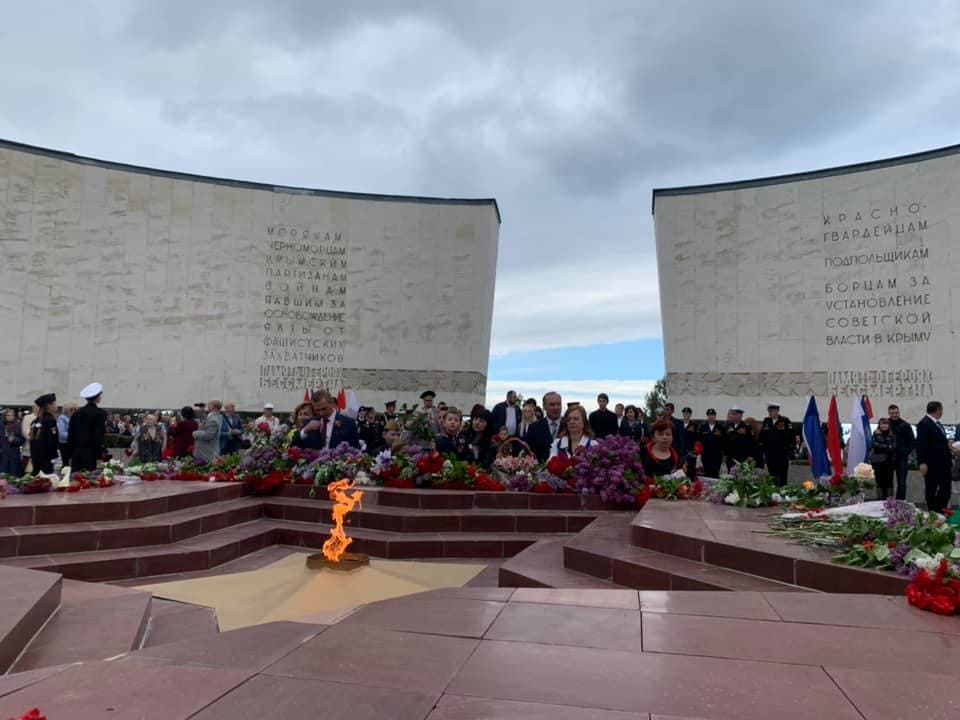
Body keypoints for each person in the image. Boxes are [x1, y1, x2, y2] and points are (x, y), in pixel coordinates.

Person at [915, 400, 952, 513]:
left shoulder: (938, 424)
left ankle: (941, 509)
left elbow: (938, 442)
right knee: (931, 488)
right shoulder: (924, 423)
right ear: (938, 410)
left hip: (943, 463)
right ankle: (933, 511)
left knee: (945, 488)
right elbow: (920, 444)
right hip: (931, 463)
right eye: (941, 410)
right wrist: (922, 462)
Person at [295, 389, 360, 450]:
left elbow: (355, 449)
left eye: (324, 408)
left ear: (332, 403)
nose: (321, 413)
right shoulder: (309, 423)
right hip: (314, 461)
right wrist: (304, 431)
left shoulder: (349, 423)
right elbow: (295, 447)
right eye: (317, 410)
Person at [759, 402, 794, 486]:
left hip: (782, 454)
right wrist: (763, 449)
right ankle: (773, 493)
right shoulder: (766, 421)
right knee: (772, 475)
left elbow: (791, 435)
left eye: (772, 411)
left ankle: (783, 492)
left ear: (777, 411)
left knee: (782, 476)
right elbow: (762, 436)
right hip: (770, 453)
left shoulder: (785, 421)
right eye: (769, 411)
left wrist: (790, 450)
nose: (770, 413)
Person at [888, 404, 916, 501]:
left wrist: (904, 452)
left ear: (899, 413)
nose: (894, 415)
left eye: (896, 413)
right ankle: (887, 502)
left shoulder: (905, 425)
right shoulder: (885, 424)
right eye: (892, 413)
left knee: (902, 482)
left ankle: (900, 503)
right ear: (889, 413)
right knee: (887, 482)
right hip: (888, 458)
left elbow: (912, 442)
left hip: (902, 458)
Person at [528, 391, 564, 462]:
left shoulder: (569, 425)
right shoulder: (534, 428)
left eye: (558, 404)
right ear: (544, 407)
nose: (556, 407)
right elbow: (529, 453)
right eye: (552, 405)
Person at [29, 393, 59, 475]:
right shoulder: (50, 420)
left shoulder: (35, 421)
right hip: (47, 457)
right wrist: (54, 456)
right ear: (49, 406)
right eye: (55, 403)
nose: (57, 405)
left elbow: (32, 441)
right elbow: (52, 441)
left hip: (36, 457)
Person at [870, 418, 897, 500]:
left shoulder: (893, 435)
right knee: (879, 481)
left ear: (889, 425)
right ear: (879, 425)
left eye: (886, 424)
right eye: (882, 424)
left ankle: (889, 501)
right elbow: (874, 445)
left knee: (889, 481)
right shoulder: (875, 434)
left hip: (889, 462)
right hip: (877, 462)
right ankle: (879, 500)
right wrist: (886, 446)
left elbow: (893, 447)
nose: (884, 425)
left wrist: (881, 445)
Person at [723, 406, 758, 470]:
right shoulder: (728, 427)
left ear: (741, 415)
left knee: (741, 476)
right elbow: (725, 441)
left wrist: (751, 455)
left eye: (735, 414)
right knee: (730, 476)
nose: (733, 416)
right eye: (732, 414)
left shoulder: (746, 427)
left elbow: (752, 443)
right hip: (731, 458)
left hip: (742, 457)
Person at [1, 408, 26, 476]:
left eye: (12, 415)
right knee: (3, 477)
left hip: (14, 456)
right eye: (8, 415)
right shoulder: (1, 426)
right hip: (3, 456)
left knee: (14, 476)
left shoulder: (18, 425)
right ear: (5, 416)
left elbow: (23, 439)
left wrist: (14, 440)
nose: (10, 417)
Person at [20, 405, 36, 473]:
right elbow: (25, 432)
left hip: (42, 450)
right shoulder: (27, 417)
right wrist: (38, 440)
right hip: (29, 449)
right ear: (33, 408)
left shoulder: (45, 417)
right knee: (28, 472)